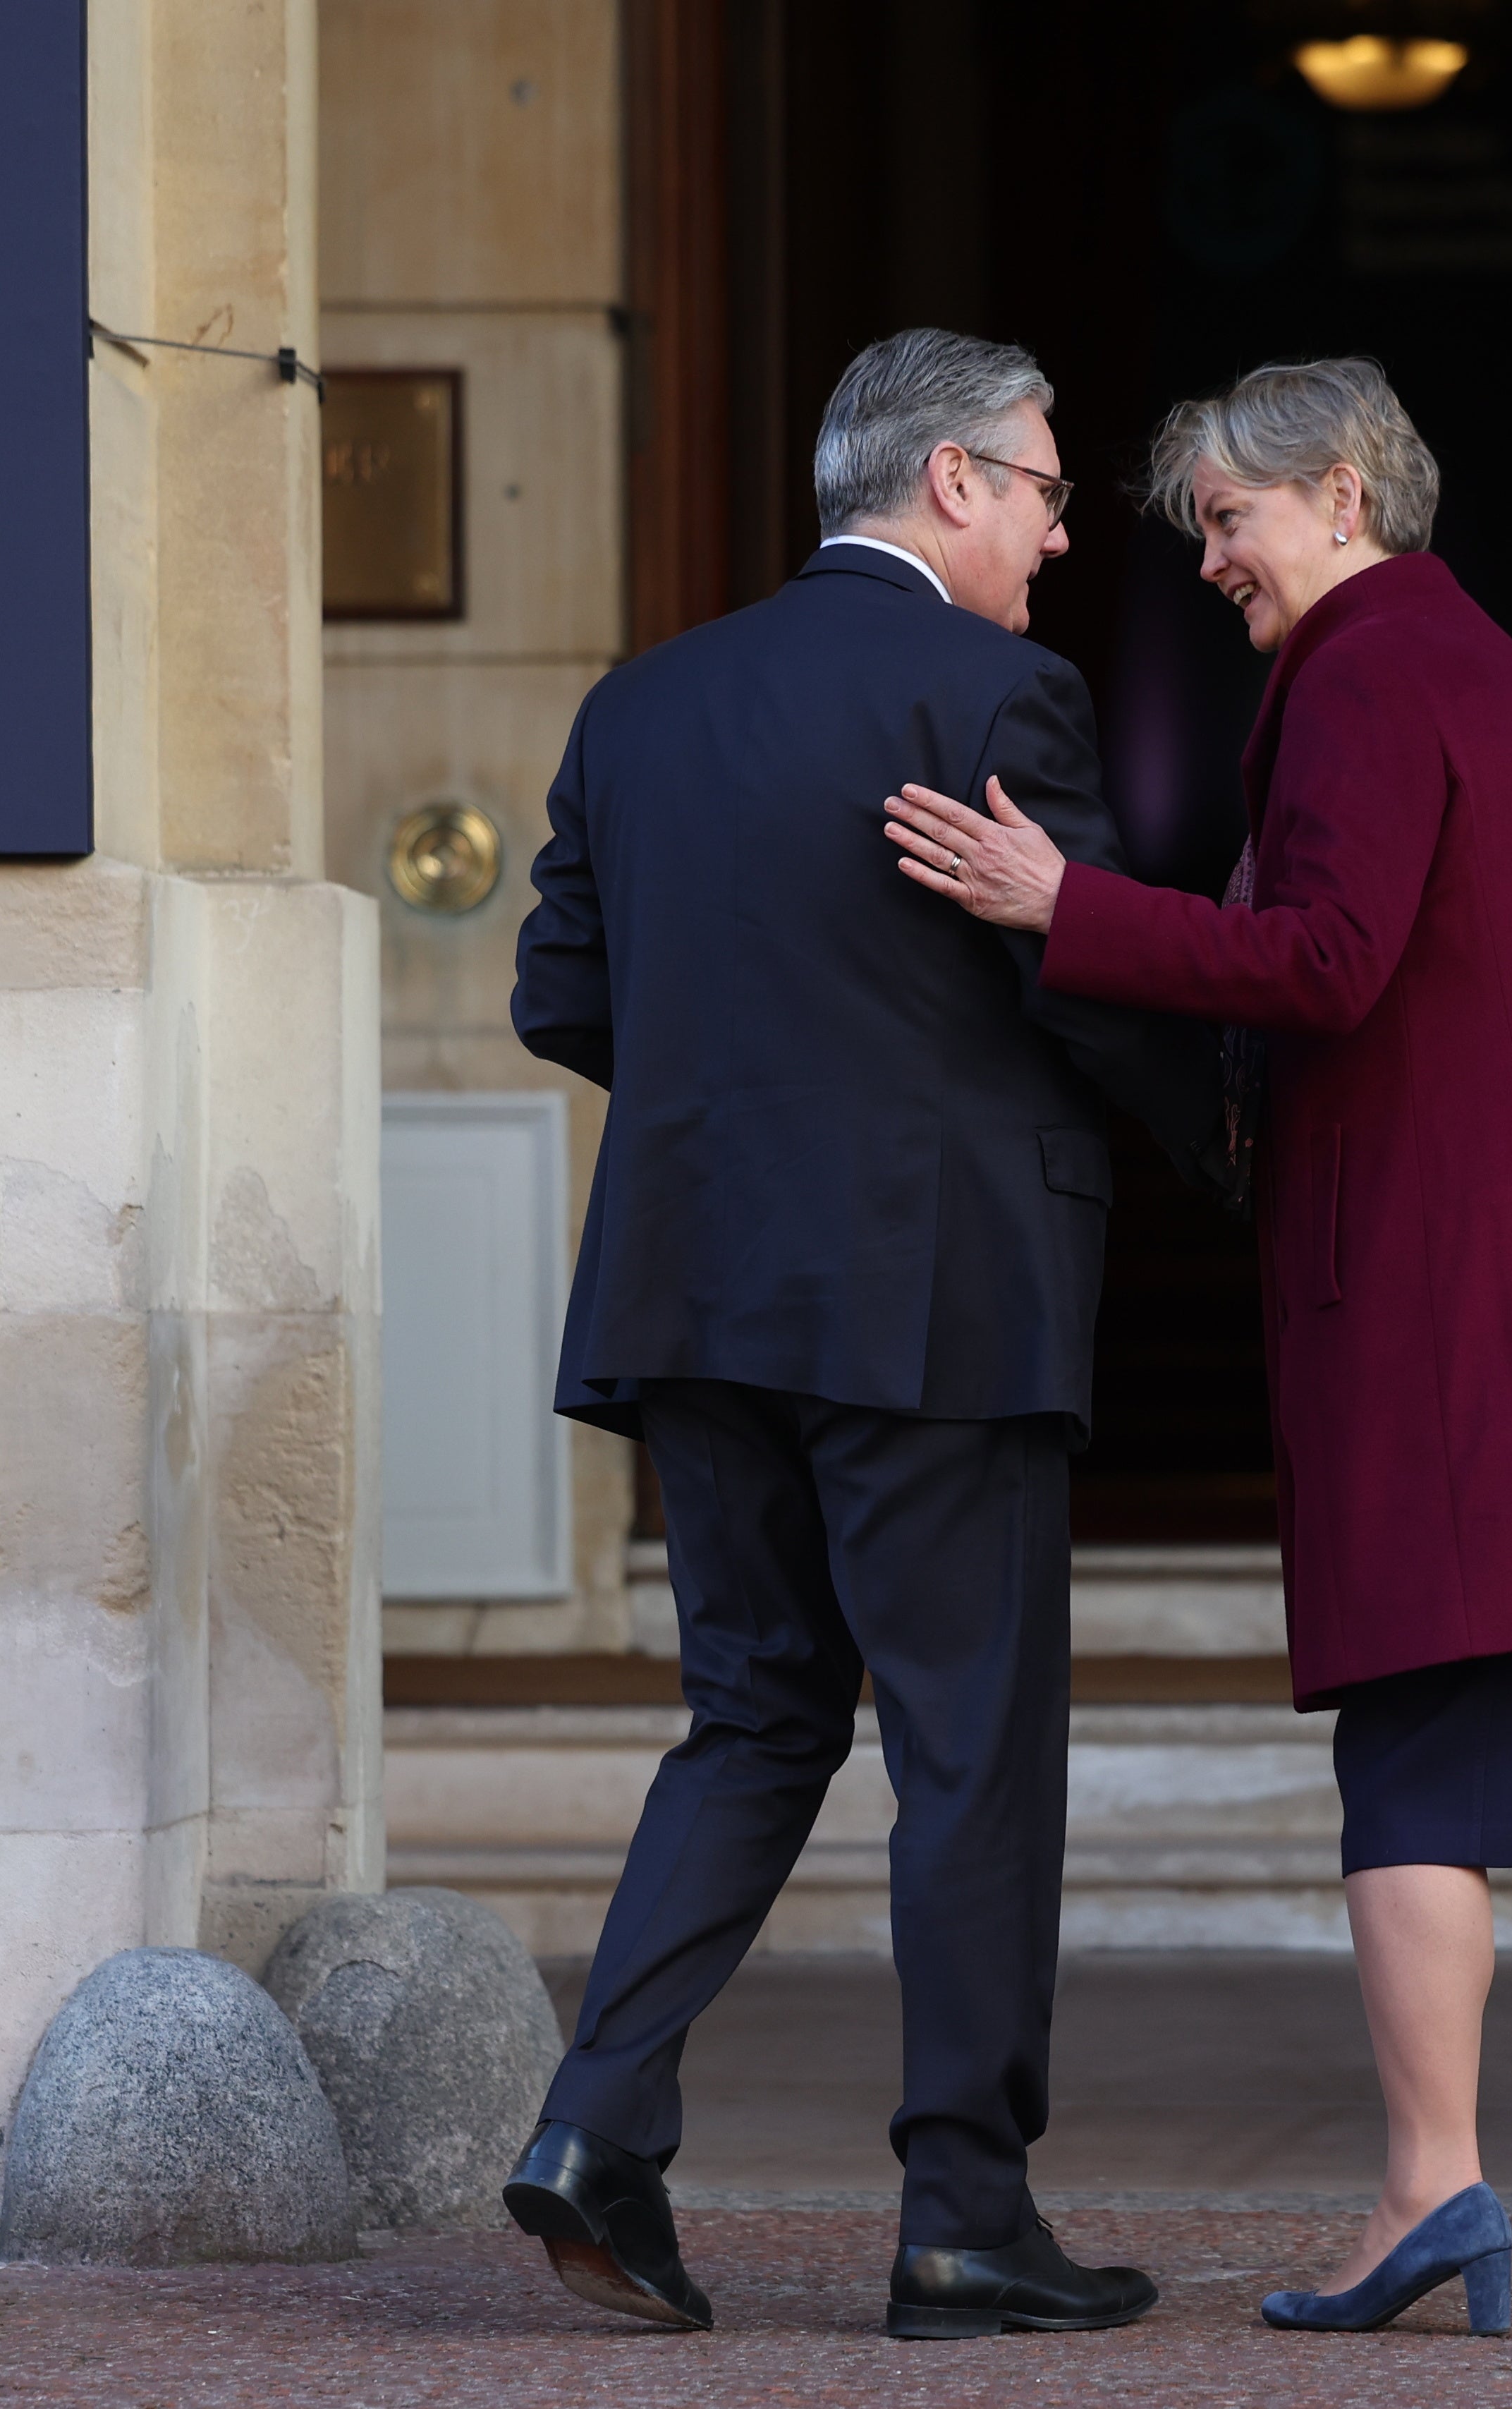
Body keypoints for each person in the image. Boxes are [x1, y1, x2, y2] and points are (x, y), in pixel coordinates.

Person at [882, 358, 1512, 2337]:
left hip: (1452, 1282)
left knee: (1415, 1735)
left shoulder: (1365, 678)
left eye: (1229, 518)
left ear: (1348, 495)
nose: (1208, 560)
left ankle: (1426, 2190)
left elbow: (1327, 960)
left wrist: (1066, 904)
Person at [499, 329, 1218, 2341]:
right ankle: (964, 2219)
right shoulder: (992, 692)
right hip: (935, 1296)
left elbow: (559, 996)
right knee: (968, 1753)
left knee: (751, 1720)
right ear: (953, 480)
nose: (1061, 538)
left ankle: (594, 2125)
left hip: (698, 1290)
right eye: (1049, 492)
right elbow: (1081, 981)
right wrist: (1238, 1124)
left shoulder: (642, 702)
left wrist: (753, 1097)